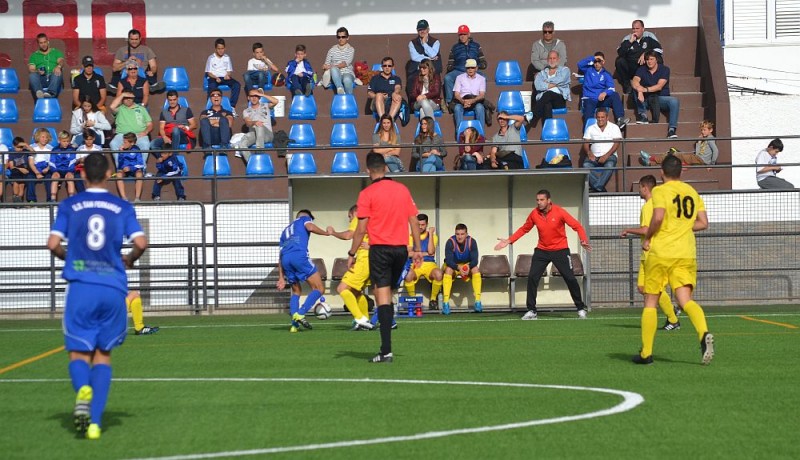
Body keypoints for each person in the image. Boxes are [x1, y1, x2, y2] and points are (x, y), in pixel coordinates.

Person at [47, 152, 148, 440]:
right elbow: (141, 242)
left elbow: (52, 243)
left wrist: (70, 259)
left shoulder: (70, 204)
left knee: (79, 352)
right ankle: (95, 423)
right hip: (113, 287)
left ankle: (82, 388)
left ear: (82, 175)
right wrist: (129, 259)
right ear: (108, 175)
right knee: (103, 355)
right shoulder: (121, 206)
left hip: (82, 286)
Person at [638, 155, 714, 365]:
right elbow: (703, 223)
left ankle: (646, 353)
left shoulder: (660, 191)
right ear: (681, 172)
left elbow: (659, 217)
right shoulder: (692, 191)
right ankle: (703, 333)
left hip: (662, 252)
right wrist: (681, 228)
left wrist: (649, 237)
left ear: (662, 172)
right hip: (686, 252)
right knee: (685, 300)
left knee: (651, 301)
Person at [348, 152, 423, 363]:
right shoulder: (402, 190)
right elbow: (414, 221)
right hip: (401, 250)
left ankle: (386, 351)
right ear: (386, 168)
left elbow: (361, 228)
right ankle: (388, 332)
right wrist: (417, 249)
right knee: (387, 295)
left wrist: (352, 253)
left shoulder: (367, 194)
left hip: (380, 250)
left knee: (381, 296)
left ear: (368, 170)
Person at [494, 189, 592, 319]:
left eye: (542, 200)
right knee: (533, 278)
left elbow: (577, 226)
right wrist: (509, 240)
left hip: (561, 250)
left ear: (549, 201)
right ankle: (532, 311)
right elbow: (525, 229)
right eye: (537, 200)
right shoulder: (534, 214)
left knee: (570, 279)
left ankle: (580, 308)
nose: (539, 202)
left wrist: (583, 240)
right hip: (542, 251)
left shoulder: (559, 211)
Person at [620, 174, 681, 331]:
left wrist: (628, 229)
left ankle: (673, 320)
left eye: (640, 187)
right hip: (647, 253)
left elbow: (646, 229)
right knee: (642, 287)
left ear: (645, 188)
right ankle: (672, 311)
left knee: (655, 288)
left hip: (653, 252)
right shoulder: (654, 205)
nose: (639, 191)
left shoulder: (649, 206)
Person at [277, 210, 332, 333]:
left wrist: (281, 277)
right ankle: (301, 313)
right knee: (319, 288)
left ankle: (294, 325)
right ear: (307, 216)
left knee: (296, 291)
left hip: (286, 260)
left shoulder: (285, 231)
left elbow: (280, 256)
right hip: (299, 257)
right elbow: (310, 227)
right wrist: (326, 233)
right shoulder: (304, 219)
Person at [328, 205, 375, 331]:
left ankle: (361, 319)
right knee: (356, 292)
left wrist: (333, 233)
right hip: (373, 261)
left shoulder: (359, 218)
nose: (350, 221)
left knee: (341, 288)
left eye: (350, 217)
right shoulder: (373, 221)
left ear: (355, 212)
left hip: (364, 260)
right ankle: (366, 321)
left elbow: (349, 235)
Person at [632, 51, 680, 138]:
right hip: (645, 99)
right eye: (647, 60)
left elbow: (659, 86)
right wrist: (639, 90)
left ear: (656, 60)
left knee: (674, 101)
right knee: (635, 89)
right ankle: (643, 115)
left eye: (651, 59)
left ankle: (672, 130)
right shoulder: (641, 69)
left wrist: (644, 89)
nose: (649, 62)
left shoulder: (665, 69)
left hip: (660, 98)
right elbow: (634, 81)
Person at [404, 213, 443, 310]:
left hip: (429, 264)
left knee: (438, 274)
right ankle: (413, 301)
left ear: (427, 224)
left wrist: (430, 235)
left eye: (423, 225)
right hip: (415, 264)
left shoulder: (433, 237)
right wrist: (423, 253)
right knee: (408, 275)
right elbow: (408, 253)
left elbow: (431, 252)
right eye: (418, 225)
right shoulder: (410, 236)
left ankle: (433, 300)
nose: (420, 227)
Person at [577, 52, 627, 126]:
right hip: (589, 98)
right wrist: (593, 58)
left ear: (603, 62)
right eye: (595, 61)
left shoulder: (606, 74)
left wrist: (605, 93)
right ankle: (588, 132)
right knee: (588, 112)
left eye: (599, 61)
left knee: (615, 95)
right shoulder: (588, 70)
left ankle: (620, 119)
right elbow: (579, 64)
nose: (597, 64)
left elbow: (611, 88)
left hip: (601, 99)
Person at [442, 223, 482, 314]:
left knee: (475, 269)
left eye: (462, 234)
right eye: (457, 234)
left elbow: (475, 260)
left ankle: (478, 301)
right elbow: (448, 261)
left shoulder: (472, 242)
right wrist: (458, 267)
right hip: (454, 266)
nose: (459, 237)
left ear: (466, 234)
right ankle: (445, 303)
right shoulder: (450, 242)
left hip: (466, 266)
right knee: (448, 269)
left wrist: (468, 266)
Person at [443, 25, 487, 108]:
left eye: (464, 34)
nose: (462, 36)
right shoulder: (455, 47)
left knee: (483, 76)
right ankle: (450, 102)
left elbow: (484, 63)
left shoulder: (476, 46)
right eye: (460, 34)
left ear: (469, 34)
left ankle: (480, 100)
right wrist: (451, 67)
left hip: (474, 70)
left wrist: (475, 67)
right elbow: (450, 63)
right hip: (459, 70)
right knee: (447, 78)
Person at [640, 120, 719, 166]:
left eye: (704, 130)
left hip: (701, 160)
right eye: (701, 130)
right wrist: (699, 141)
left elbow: (715, 151)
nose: (702, 132)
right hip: (696, 158)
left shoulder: (710, 139)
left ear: (710, 130)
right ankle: (650, 163)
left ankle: (651, 158)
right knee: (671, 156)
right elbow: (698, 152)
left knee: (674, 154)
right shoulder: (704, 139)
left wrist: (712, 164)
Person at [615, 19, 663, 93]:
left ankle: (655, 83)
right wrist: (629, 42)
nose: (635, 31)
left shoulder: (649, 36)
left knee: (659, 59)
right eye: (633, 28)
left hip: (645, 66)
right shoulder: (627, 38)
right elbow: (620, 52)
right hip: (632, 67)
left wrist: (646, 54)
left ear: (643, 29)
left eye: (637, 28)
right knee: (619, 61)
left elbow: (659, 50)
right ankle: (628, 86)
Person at [110, 28, 164, 93]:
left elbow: (153, 66)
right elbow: (115, 68)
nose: (134, 41)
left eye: (136, 39)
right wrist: (127, 62)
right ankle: (115, 87)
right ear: (128, 39)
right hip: (125, 74)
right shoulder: (121, 50)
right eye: (132, 39)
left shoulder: (147, 50)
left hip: (141, 74)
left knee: (149, 76)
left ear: (140, 39)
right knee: (117, 76)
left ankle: (152, 86)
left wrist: (152, 71)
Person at [581, 108, 622, 193]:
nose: (600, 119)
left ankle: (597, 187)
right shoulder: (590, 128)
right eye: (598, 117)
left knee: (610, 165)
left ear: (607, 118)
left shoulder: (614, 127)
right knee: (585, 165)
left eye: (602, 117)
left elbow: (617, 143)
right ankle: (600, 188)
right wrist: (589, 153)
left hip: (610, 155)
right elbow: (585, 142)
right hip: (594, 156)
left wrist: (606, 155)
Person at [236, 89, 278, 162]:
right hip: (254, 134)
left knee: (259, 126)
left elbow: (276, 101)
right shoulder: (246, 111)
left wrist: (262, 94)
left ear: (259, 97)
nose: (254, 98)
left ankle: (259, 153)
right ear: (248, 98)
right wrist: (254, 122)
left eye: (256, 96)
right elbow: (248, 123)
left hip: (267, 134)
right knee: (242, 144)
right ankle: (252, 163)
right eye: (252, 96)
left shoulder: (265, 106)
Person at [530, 21, 567, 103]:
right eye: (545, 32)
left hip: (557, 72)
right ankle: (539, 101)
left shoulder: (560, 44)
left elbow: (563, 59)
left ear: (553, 32)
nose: (547, 34)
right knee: (537, 77)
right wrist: (546, 70)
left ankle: (559, 101)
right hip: (542, 72)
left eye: (549, 32)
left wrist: (553, 70)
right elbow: (534, 60)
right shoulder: (536, 45)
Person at [151, 90, 197, 156]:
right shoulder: (164, 112)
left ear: (177, 99)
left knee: (175, 130)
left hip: (182, 135)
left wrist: (186, 127)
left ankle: (174, 156)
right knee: (153, 144)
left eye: (174, 100)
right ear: (167, 100)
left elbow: (194, 125)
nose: (172, 102)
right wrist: (164, 137)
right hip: (169, 135)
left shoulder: (186, 110)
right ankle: (163, 159)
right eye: (170, 100)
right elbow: (161, 128)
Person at [205, 38, 241, 117]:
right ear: (215, 49)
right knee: (212, 87)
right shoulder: (211, 58)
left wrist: (228, 75)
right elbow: (208, 72)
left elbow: (229, 71)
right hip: (214, 77)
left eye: (222, 48)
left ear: (225, 48)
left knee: (237, 85)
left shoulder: (227, 57)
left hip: (224, 78)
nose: (221, 50)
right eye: (219, 49)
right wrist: (215, 77)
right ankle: (210, 109)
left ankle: (232, 107)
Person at [406, 19, 442, 99]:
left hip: (433, 69)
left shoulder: (436, 42)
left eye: (424, 29)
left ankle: (436, 102)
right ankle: (413, 104)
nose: (422, 31)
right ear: (417, 31)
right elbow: (415, 57)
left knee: (436, 78)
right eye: (420, 30)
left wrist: (424, 44)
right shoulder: (412, 43)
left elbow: (433, 54)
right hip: (418, 70)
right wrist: (430, 58)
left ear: (428, 30)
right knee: (411, 79)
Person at [533, 50, 570, 124]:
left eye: (554, 58)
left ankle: (533, 114)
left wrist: (546, 82)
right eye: (550, 58)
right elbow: (538, 86)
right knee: (547, 105)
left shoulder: (565, 70)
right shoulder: (542, 73)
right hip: (545, 100)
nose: (552, 60)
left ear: (558, 60)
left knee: (548, 93)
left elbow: (561, 80)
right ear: (547, 60)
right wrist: (555, 84)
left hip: (559, 99)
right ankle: (548, 130)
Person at [452, 58, 487, 133]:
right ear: (465, 68)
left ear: (476, 68)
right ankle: (460, 133)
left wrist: (472, 101)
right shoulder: (459, 78)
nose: (470, 69)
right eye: (468, 68)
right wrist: (463, 101)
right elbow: (457, 94)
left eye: (472, 68)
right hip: (462, 100)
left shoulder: (481, 79)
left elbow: (482, 95)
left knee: (480, 108)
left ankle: (480, 133)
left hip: (475, 100)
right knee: (457, 108)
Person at [28, 33, 65, 100]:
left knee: (57, 73)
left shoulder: (56, 52)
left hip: (53, 78)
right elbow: (31, 69)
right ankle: (39, 93)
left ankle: (51, 93)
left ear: (48, 41)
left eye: (45, 42)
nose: (43, 44)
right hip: (42, 79)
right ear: (38, 44)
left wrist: (58, 67)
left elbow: (61, 61)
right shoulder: (34, 55)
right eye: (41, 43)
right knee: (32, 75)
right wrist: (38, 71)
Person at [368, 57, 405, 122]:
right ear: (382, 67)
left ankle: (389, 120)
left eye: (389, 66)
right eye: (385, 65)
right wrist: (379, 97)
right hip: (377, 103)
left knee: (398, 96)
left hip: (391, 102)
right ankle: (383, 120)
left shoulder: (396, 78)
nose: (387, 67)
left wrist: (394, 93)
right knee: (379, 95)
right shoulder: (375, 78)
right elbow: (369, 93)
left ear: (393, 67)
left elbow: (398, 88)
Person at [321, 27, 355, 95]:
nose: (341, 39)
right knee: (333, 69)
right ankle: (340, 89)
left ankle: (349, 97)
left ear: (347, 37)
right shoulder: (332, 50)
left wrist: (330, 66)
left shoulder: (350, 49)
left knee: (347, 80)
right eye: (339, 37)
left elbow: (344, 64)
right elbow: (325, 65)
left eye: (343, 37)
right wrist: (326, 67)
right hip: (335, 75)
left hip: (347, 72)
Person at [115, 132, 146, 202]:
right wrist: (121, 153)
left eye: (125, 142)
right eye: (123, 142)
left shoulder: (137, 149)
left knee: (139, 174)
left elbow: (140, 164)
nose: (123, 144)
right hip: (124, 169)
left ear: (132, 143)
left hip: (134, 169)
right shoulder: (121, 149)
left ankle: (137, 198)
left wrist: (131, 168)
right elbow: (120, 162)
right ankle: (124, 198)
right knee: (118, 174)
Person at [27, 128, 55, 202]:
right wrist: (37, 173)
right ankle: (31, 200)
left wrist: (47, 168)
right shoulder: (32, 147)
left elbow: (52, 161)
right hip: (35, 168)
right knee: (30, 178)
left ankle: (50, 200)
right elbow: (31, 163)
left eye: (46, 137)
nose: (45, 139)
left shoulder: (50, 148)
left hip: (46, 168)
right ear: (38, 137)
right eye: (42, 137)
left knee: (49, 178)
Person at [49, 131, 78, 201]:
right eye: (64, 141)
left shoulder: (72, 150)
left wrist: (70, 171)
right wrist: (55, 171)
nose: (66, 143)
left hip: (68, 170)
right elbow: (52, 162)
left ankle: (71, 199)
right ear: (59, 140)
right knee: (54, 177)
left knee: (70, 177)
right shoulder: (55, 149)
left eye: (67, 141)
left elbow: (72, 161)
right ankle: (53, 200)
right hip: (57, 170)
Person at [74, 129, 104, 194]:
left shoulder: (98, 149)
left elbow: (102, 161)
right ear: (84, 139)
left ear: (94, 138)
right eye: (87, 139)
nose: (89, 141)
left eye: (90, 139)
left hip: (94, 169)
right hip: (82, 169)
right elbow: (76, 161)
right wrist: (80, 160)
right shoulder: (80, 149)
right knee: (77, 176)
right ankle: (82, 195)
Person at [6, 137, 33, 203]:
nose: (20, 149)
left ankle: (19, 199)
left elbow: (33, 152)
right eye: (18, 147)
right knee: (16, 181)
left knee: (22, 184)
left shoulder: (25, 151)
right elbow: (12, 166)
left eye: (21, 147)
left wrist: (26, 145)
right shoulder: (12, 153)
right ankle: (15, 196)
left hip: (25, 171)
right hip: (16, 170)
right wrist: (20, 169)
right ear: (13, 146)